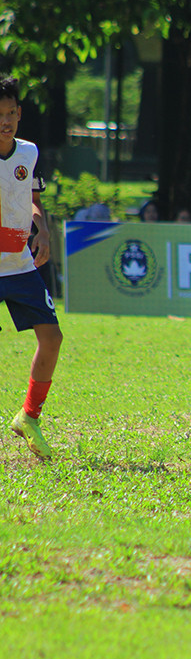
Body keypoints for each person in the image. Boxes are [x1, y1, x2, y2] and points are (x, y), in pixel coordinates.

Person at [0, 75, 62, 460]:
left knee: (52, 338)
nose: (4, 121)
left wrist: (42, 230)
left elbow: (33, 199)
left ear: (20, 114)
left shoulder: (29, 153)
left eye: (10, 113)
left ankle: (29, 416)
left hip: (20, 265)